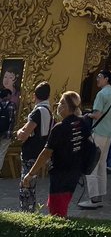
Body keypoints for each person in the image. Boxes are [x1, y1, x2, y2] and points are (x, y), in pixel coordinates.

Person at [20, 90, 90, 217]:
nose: (58, 106)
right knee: (58, 205)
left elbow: (46, 153)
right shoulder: (83, 124)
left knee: (57, 212)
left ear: (66, 107)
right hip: (75, 173)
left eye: (61, 103)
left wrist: (30, 175)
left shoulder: (60, 128)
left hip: (61, 175)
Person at [78, 69, 111, 209]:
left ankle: (94, 198)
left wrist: (87, 115)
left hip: (98, 132)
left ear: (106, 79)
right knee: (102, 164)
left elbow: (97, 115)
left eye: (100, 77)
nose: (97, 80)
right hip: (108, 133)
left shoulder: (101, 94)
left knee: (92, 165)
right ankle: (100, 194)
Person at [16, 80, 53, 211]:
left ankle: (27, 212)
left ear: (34, 96)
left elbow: (24, 134)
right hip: (39, 151)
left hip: (31, 153)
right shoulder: (49, 110)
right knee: (31, 185)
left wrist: (19, 131)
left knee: (26, 185)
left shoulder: (38, 112)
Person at [0, 87, 17, 172]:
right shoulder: (12, 105)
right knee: (2, 152)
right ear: (7, 95)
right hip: (7, 133)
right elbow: (13, 119)